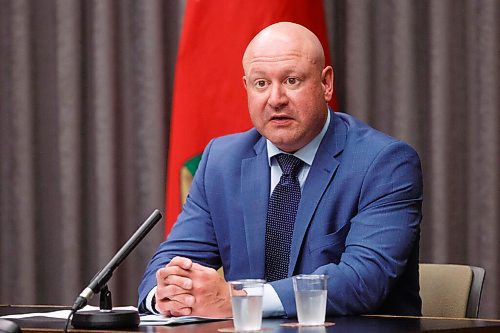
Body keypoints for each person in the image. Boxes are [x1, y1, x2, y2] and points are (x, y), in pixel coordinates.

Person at [138, 22, 423, 318]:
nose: (276, 99)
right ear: (246, 88)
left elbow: (362, 280)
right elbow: (171, 263)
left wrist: (239, 299)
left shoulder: (384, 163)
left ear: (326, 84)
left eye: (292, 80)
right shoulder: (221, 161)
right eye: (261, 84)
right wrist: (168, 295)